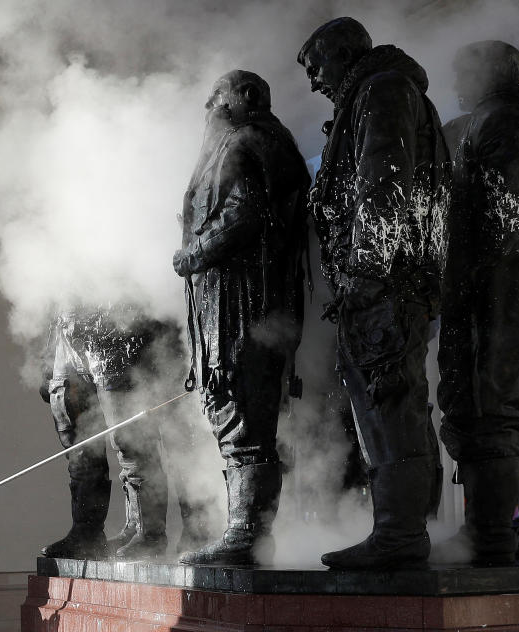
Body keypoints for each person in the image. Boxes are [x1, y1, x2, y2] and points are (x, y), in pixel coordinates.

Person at [298, 17, 448, 569]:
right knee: (389, 402)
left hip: (386, 284)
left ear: (343, 53)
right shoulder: (378, 91)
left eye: (317, 68)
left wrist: (365, 276)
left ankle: (401, 534)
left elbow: (384, 183)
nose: (315, 82)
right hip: (390, 282)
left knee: (389, 403)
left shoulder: (381, 90)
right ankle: (402, 529)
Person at [437, 40, 519, 566]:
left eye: (460, 71)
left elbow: (494, 210)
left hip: (505, 271)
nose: (456, 82)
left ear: (486, 72)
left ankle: (489, 534)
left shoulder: (492, 119)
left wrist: (462, 282)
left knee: (493, 406)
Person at [173, 69, 310, 566]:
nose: (209, 110)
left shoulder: (249, 140)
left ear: (246, 96)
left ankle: (248, 535)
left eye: (216, 98)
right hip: (233, 307)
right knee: (234, 413)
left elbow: (246, 212)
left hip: (244, 308)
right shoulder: (245, 145)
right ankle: (244, 532)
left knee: (244, 416)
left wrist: (194, 253)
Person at [39, 306, 209, 560]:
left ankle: (153, 533)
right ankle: (89, 532)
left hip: (117, 321)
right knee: (79, 444)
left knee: (132, 439)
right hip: (70, 326)